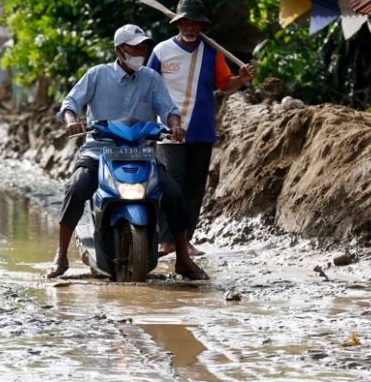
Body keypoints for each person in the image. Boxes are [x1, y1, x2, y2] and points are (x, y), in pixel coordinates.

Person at [47, 24, 209, 281]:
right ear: (120, 50)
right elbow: (70, 103)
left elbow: (169, 109)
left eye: (144, 47)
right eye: (136, 47)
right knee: (77, 188)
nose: (141, 52)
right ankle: (61, 255)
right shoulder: (97, 75)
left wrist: (175, 126)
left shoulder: (151, 78)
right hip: (99, 151)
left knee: (174, 193)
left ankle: (183, 259)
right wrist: (71, 121)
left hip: (141, 153)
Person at [147, 0, 255, 256]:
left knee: (194, 188)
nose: (191, 27)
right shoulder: (161, 51)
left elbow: (225, 86)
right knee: (171, 185)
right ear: (178, 24)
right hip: (168, 131)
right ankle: (166, 240)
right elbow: (147, 86)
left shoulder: (211, 52)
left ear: (201, 26)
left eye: (195, 23)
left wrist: (241, 79)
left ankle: (185, 240)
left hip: (201, 129)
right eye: (186, 22)